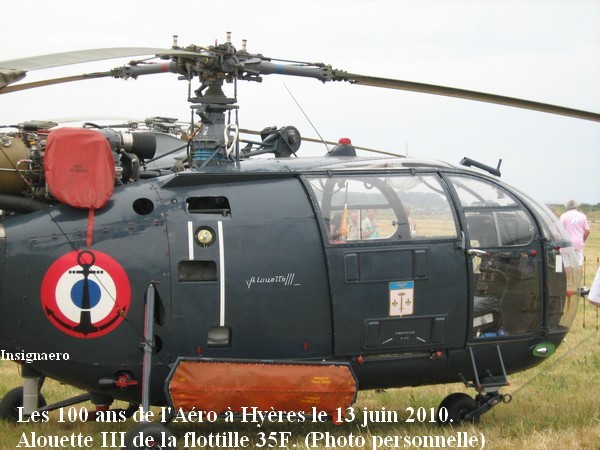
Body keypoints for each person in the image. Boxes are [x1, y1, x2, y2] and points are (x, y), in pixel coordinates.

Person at [559, 200, 590, 272]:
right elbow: (587, 231)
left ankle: (570, 281)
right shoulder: (582, 216)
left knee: (567, 264)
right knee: (579, 263)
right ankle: (579, 282)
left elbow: (560, 231)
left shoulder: (563, 216)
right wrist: (582, 239)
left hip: (566, 244)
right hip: (578, 243)